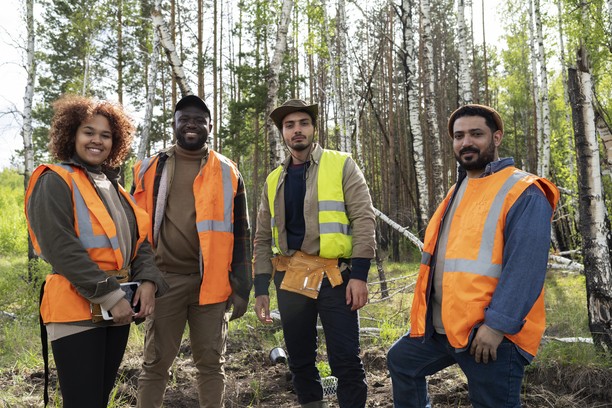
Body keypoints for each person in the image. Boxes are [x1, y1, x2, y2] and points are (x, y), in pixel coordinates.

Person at [387, 104, 559, 408]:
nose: (466, 142)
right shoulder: (459, 190)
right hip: (444, 328)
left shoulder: (524, 191)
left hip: (490, 336)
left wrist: (496, 327)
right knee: (402, 361)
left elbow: (525, 268)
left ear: (496, 137)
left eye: (476, 134)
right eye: (459, 135)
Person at [24, 94, 168, 408]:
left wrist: (148, 282)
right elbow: (62, 248)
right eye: (89, 132)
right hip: (78, 310)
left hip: (115, 309)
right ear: (71, 134)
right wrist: (111, 296)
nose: (97, 141)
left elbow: (139, 243)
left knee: (98, 400)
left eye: (106, 135)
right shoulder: (53, 180)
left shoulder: (113, 187)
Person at [253, 99, 376, 408]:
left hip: (336, 277)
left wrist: (359, 276)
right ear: (282, 133)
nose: (297, 131)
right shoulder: (272, 180)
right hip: (291, 277)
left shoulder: (342, 163)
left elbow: (364, 218)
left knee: (346, 360)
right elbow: (262, 238)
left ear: (314, 128)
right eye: (289, 125)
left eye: (303, 123)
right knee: (300, 360)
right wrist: (261, 287)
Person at [132, 94, 252, 408]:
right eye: (184, 118)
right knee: (155, 366)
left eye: (199, 119)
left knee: (212, 365)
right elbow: (134, 230)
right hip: (163, 282)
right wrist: (140, 279)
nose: (191, 125)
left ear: (210, 126)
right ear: (173, 124)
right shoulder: (149, 169)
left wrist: (242, 288)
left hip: (211, 285)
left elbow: (242, 235)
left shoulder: (228, 172)